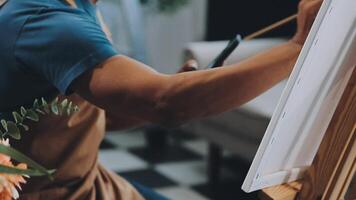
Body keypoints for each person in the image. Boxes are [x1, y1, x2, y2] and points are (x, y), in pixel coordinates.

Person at [0, 0, 322, 199]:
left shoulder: (81, 8)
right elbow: (166, 103)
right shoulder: (51, 20)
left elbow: (102, 114)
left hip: (88, 183)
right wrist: (299, 48)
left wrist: (178, 94)